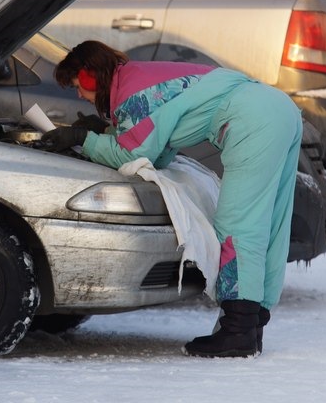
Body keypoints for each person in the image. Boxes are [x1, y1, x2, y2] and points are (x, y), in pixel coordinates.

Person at [42, 40, 303, 358]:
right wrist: (105, 132)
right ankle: (251, 324)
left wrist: (81, 138)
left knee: (238, 224)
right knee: (271, 221)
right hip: (279, 109)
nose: (79, 95)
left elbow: (133, 153)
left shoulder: (132, 92)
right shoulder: (138, 77)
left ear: (89, 76)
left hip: (252, 121)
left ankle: (238, 331)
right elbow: (157, 152)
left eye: (76, 87)